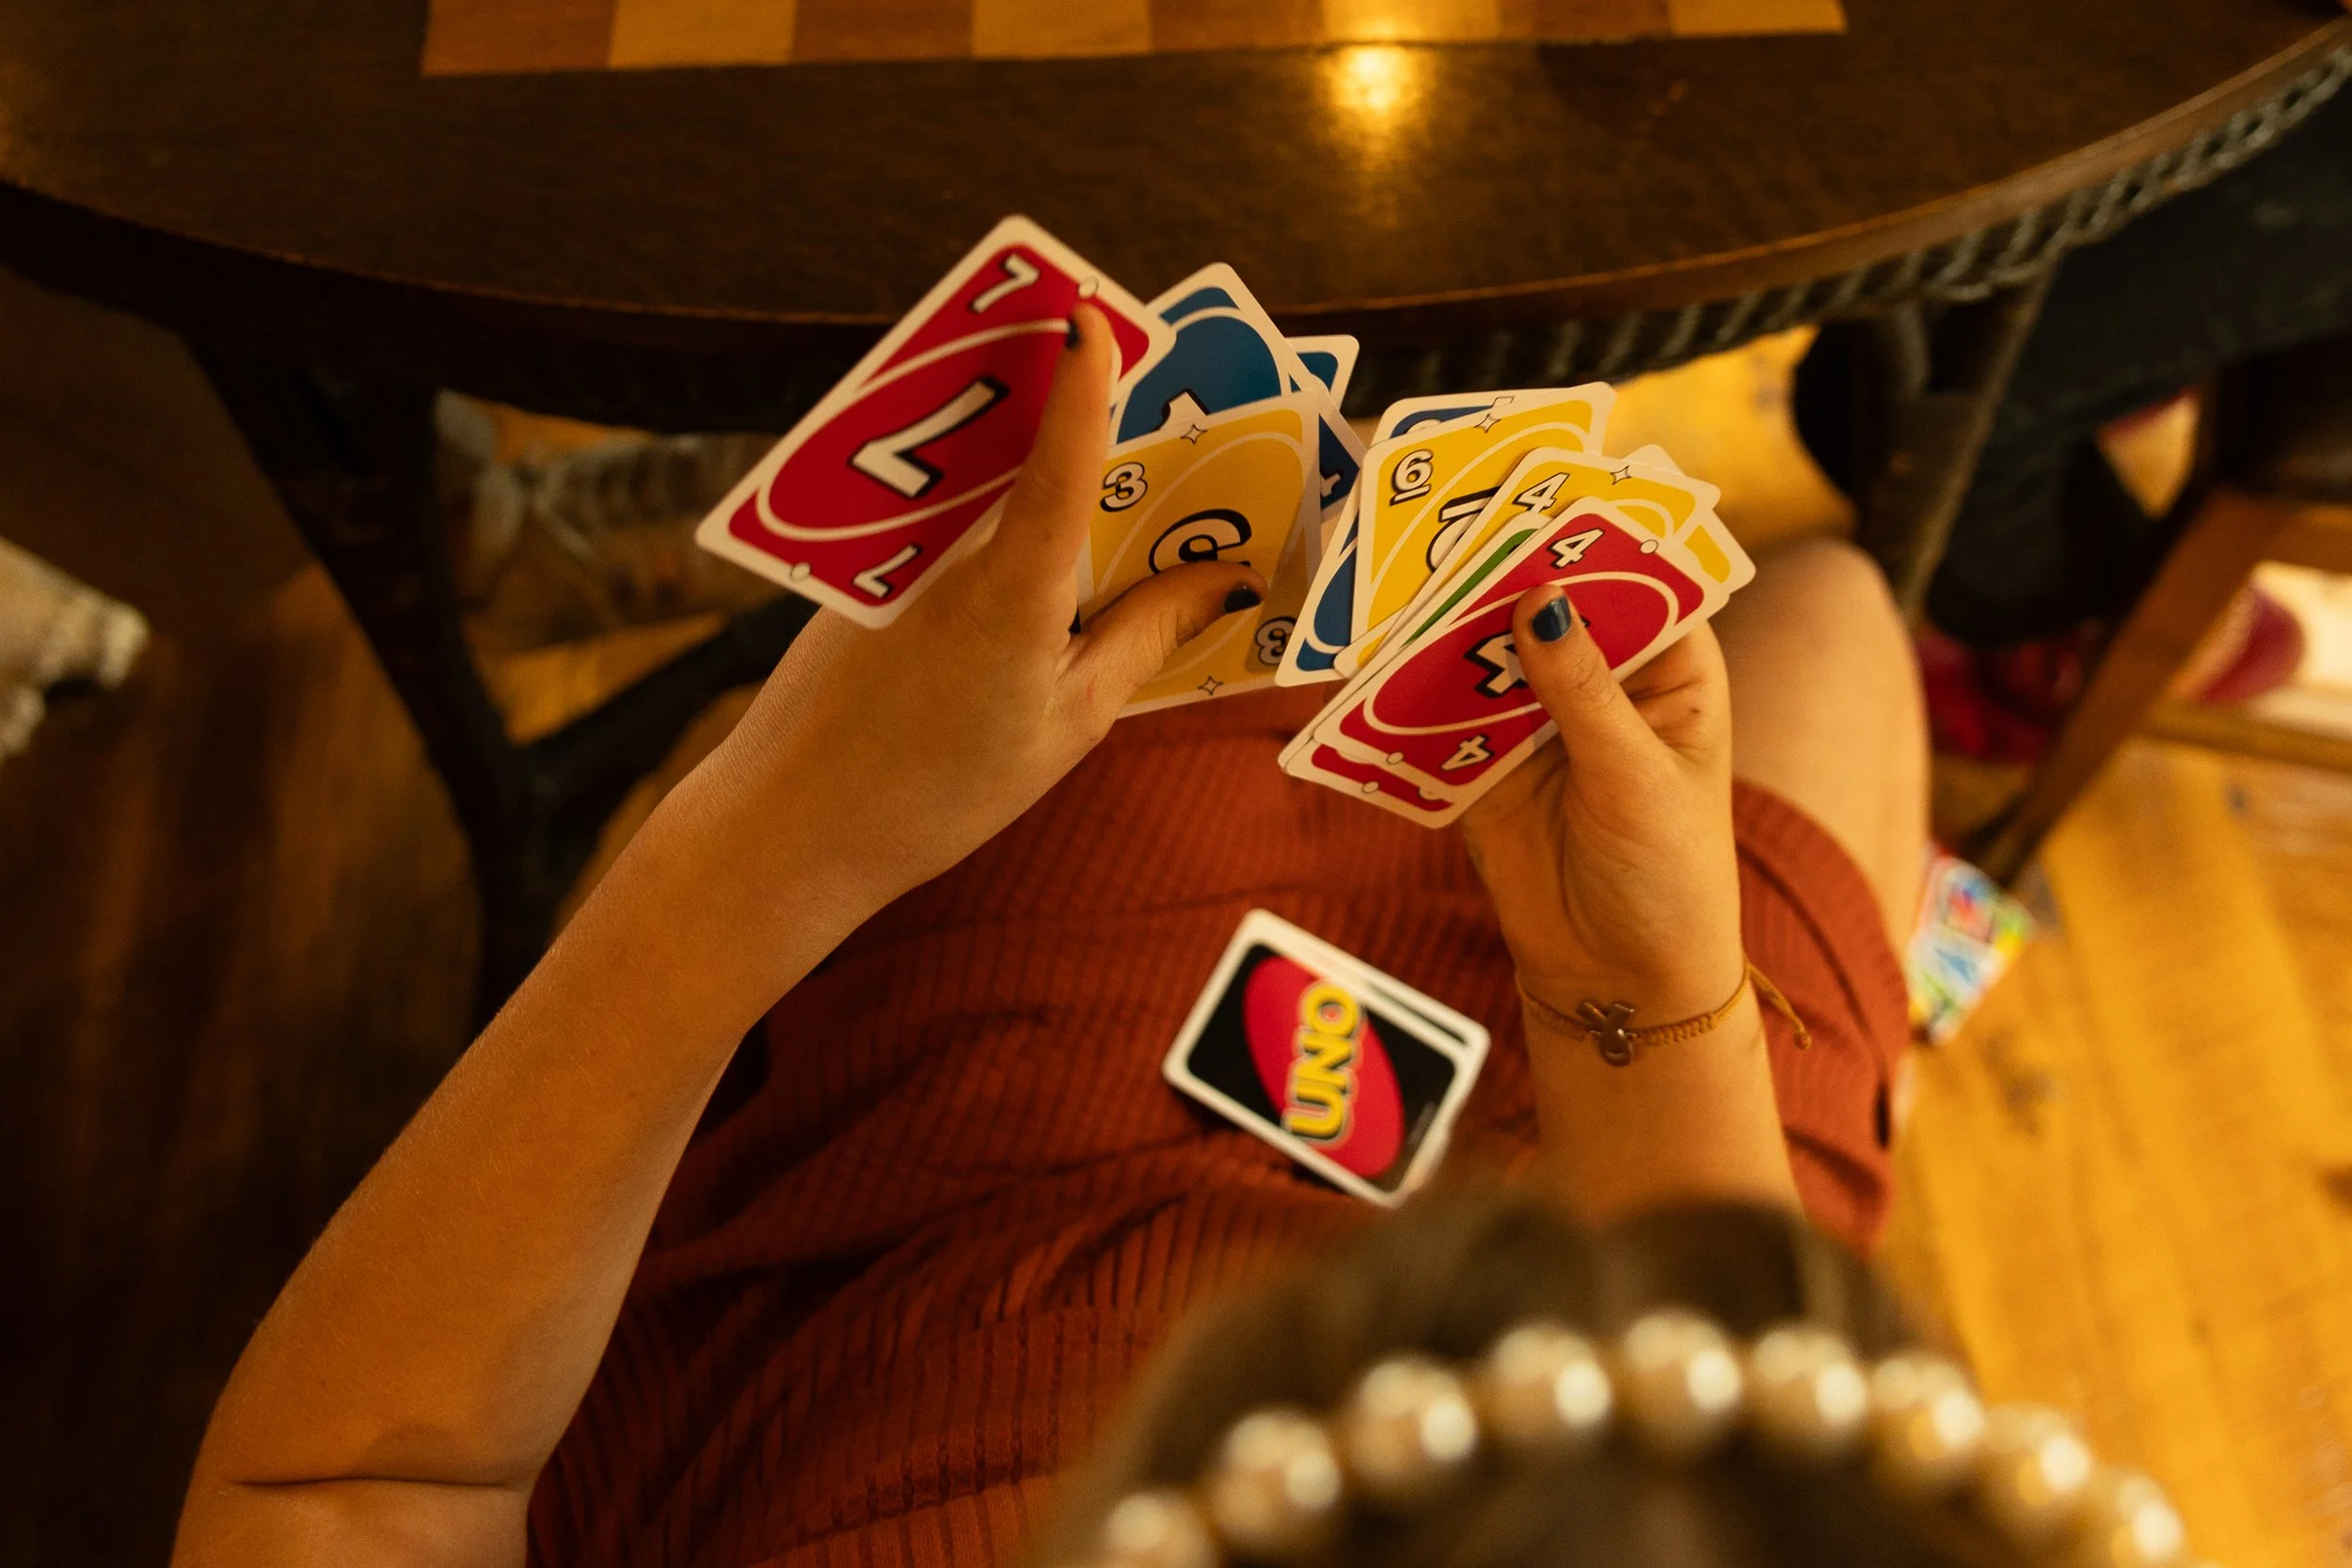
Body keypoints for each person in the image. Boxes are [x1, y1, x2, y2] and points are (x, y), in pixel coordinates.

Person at [170, 309, 1947, 1568]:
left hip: (942, 1253)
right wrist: (1635, 1003)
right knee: (1839, 614)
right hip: (1661, 1274)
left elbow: (347, 1493)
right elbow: (1745, 1474)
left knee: (1152, 623)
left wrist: (781, 828)